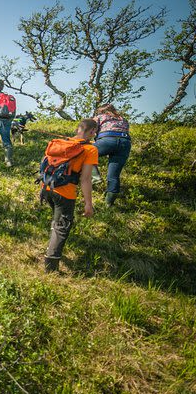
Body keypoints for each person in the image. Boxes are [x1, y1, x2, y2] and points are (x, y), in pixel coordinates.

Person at [41, 119, 99, 272]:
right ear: (92, 131)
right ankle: (50, 268)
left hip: (46, 188)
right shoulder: (90, 149)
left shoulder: (58, 144)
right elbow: (85, 179)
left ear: (78, 129)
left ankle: (50, 249)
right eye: (95, 132)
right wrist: (88, 204)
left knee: (57, 220)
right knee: (62, 226)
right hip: (65, 193)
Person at [93, 103, 131, 207]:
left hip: (107, 140)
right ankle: (109, 204)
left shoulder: (100, 117)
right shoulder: (123, 119)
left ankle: (94, 178)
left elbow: (91, 129)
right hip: (125, 143)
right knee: (114, 175)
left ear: (101, 111)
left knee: (86, 154)